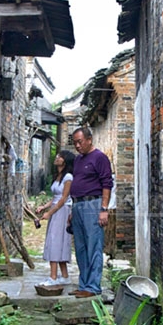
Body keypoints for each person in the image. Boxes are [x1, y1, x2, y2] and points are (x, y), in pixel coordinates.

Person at [68, 126, 114, 298]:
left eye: (80, 142)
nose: (77, 146)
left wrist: (104, 209)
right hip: (78, 205)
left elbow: (107, 184)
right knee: (80, 247)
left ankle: (93, 286)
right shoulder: (79, 160)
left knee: (93, 246)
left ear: (89, 140)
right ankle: (83, 284)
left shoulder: (100, 158)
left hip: (93, 205)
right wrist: (73, 210)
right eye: (75, 143)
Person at [35, 150, 75, 286]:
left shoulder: (68, 177)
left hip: (62, 210)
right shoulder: (58, 176)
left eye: (60, 157)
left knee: (55, 240)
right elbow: (55, 198)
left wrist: (49, 213)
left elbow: (63, 199)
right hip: (56, 208)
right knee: (57, 240)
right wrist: (44, 207)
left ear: (65, 161)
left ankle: (53, 277)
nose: (57, 158)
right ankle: (64, 276)